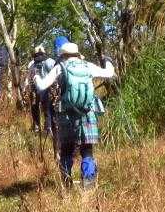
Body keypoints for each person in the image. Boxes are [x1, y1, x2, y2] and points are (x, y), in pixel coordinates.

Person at [32, 41, 115, 189]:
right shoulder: (87, 66)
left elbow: (42, 86)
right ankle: (88, 183)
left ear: (62, 55)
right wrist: (108, 61)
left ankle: (66, 182)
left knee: (66, 150)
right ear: (77, 54)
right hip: (87, 113)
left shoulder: (60, 67)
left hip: (66, 115)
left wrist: (36, 77)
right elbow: (109, 73)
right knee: (87, 150)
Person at [25, 44, 57, 135]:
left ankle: (36, 126)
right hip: (48, 89)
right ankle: (48, 128)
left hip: (35, 89)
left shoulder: (32, 64)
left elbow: (29, 77)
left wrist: (26, 88)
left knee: (35, 108)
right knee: (48, 110)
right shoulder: (51, 61)